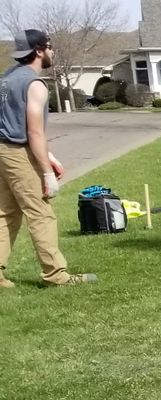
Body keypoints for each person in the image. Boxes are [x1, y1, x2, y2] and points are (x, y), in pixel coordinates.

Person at [0, 29, 94, 286]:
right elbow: (34, 131)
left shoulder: (6, 78)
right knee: (40, 212)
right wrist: (46, 173)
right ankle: (56, 274)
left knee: (6, 212)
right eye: (50, 46)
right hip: (18, 152)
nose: (53, 51)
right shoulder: (34, 83)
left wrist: (47, 154)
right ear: (39, 51)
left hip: (3, 150)